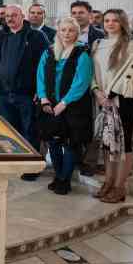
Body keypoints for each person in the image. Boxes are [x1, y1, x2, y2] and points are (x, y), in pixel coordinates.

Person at [91, 9, 133, 203]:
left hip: (124, 99)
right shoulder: (98, 44)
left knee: (123, 145)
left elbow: (129, 73)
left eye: (114, 21)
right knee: (108, 145)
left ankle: (119, 187)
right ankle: (108, 182)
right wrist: (97, 92)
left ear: (122, 23)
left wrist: (111, 95)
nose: (109, 24)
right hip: (103, 98)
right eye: (107, 20)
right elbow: (93, 72)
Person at [0, 5, 50, 180]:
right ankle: (14, 162)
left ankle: (30, 167)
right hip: (4, 93)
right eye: (7, 16)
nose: (10, 19)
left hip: (27, 93)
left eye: (14, 15)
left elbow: (45, 65)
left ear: (22, 16)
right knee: (9, 132)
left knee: (29, 130)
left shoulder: (36, 36)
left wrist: (40, 90)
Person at [36, 17, 93, 195]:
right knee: (52, 142)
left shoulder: (82, 53)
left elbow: (81, 81)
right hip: (50, 104)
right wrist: (43, 98)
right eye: (63, 30)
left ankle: (64, 179)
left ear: (77, 33)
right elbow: (40, 76)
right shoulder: (49, 52)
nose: (67, 34)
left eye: (71, 30)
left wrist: (64, 102)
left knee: (70, 144)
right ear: (58, 32)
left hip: (73, 106)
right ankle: (58, 175)